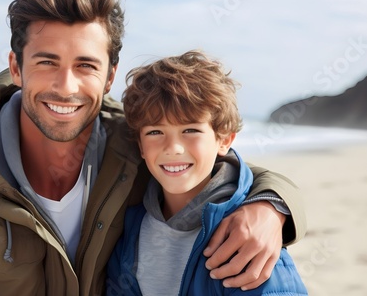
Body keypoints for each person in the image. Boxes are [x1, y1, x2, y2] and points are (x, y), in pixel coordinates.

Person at [0, 0, 306, 295]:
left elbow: (218, 167)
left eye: (86, 65)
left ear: (110, 75)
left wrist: (272, 206)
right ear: (15, 67)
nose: (66, 86)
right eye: (46, 62)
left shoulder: (140, 147)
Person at [106, 50, 307, 295]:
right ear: (141, 146)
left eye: (190, 130)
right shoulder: (129, 228)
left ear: (224, 140)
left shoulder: (249, 239)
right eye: (155, 132)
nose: (173, 148)